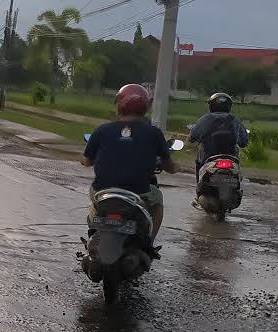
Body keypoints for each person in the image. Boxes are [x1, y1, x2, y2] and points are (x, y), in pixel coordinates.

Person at [82, 84, 177, 241]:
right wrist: (175, 168)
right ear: (145, 106)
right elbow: (169, 166)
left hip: (104, 190)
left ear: (119, 105)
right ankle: (149, 242)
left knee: (95, 202)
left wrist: (88, 159)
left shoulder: (102, 130)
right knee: (158, 201)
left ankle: (92, 235)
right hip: (139, 193)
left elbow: (86, 161)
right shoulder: (154, 133)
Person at [188, 92, 249, 173]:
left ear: (211, 105)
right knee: (237, 171)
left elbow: (193, 136)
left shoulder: (205, 119)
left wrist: (195, 138)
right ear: (229, 106)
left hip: (207, 158)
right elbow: (244, 142)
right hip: (231, 159)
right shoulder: (235, 120)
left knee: (199, 161)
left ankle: (199, 179)